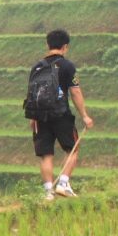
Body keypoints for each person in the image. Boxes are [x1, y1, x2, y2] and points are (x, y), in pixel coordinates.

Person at [29, 28, 93, 200]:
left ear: (48, 45)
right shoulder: (67, 66)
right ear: (65, 46)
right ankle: (63, 184)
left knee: (46, 154)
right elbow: (75, 92)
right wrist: (85, 116)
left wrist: (34, 117)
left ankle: (48, 192)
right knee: (73, 148)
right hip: (61, 114)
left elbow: (33, 94)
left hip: (40, 117)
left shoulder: (37, 67)